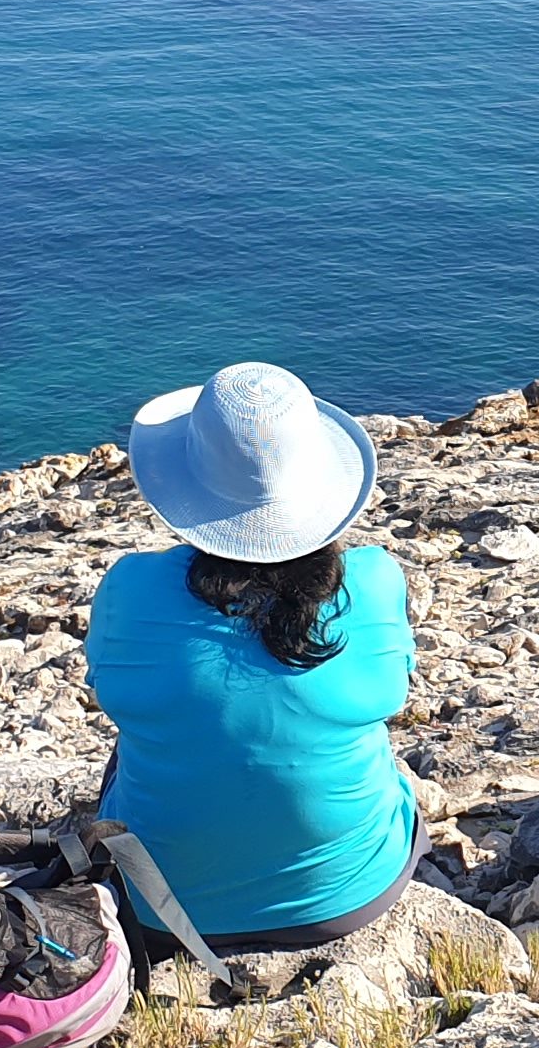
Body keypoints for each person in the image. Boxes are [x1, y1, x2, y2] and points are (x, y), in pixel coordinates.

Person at [85, 362, 420, 964]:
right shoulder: (374, 580)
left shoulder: (129, 589)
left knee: (146, 734)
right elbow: (392, 686)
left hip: (160, 908)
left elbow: (114, 694)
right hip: (349, 893)